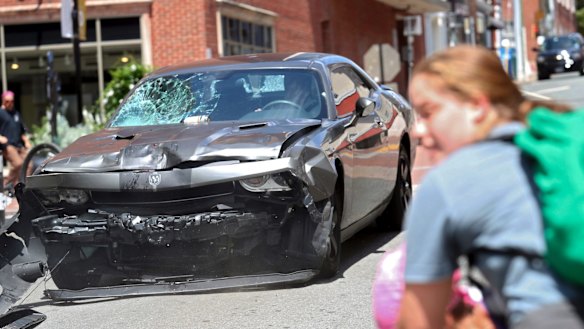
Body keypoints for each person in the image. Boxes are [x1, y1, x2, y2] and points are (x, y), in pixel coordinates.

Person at [398, 45, 584, 329]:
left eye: (428, 112)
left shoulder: (448, 183)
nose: (418, 130)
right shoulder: (560, 145)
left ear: (477, 106)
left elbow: (419, 322)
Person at [0, 90, 31, 187]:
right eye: (7, 101)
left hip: (19, 145)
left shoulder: (16, 113)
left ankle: (23, 187)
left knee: (29, 164)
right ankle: (5, 183)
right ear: (3, 101)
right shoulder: (0, 112)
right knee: (19, 164)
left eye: (12, 101)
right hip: (8, 145)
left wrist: (26, 141)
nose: (10, 103)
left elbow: (22, 130)